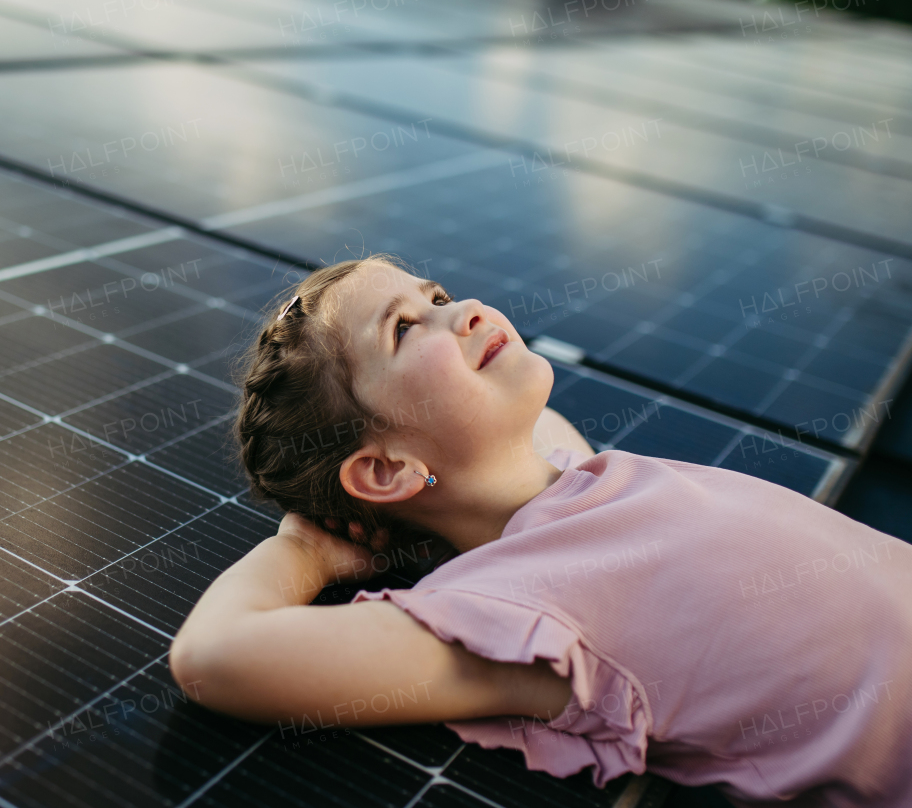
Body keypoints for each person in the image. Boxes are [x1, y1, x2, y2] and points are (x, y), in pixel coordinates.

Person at [169, 253, 912, 807]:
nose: (462, 311)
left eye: (438, 295)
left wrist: (426, 501)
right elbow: (216, 656)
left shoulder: (570, 477)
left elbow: (538, 442)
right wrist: (302, 550)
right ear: (386, 469)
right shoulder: (520, 618)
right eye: (404, 327)